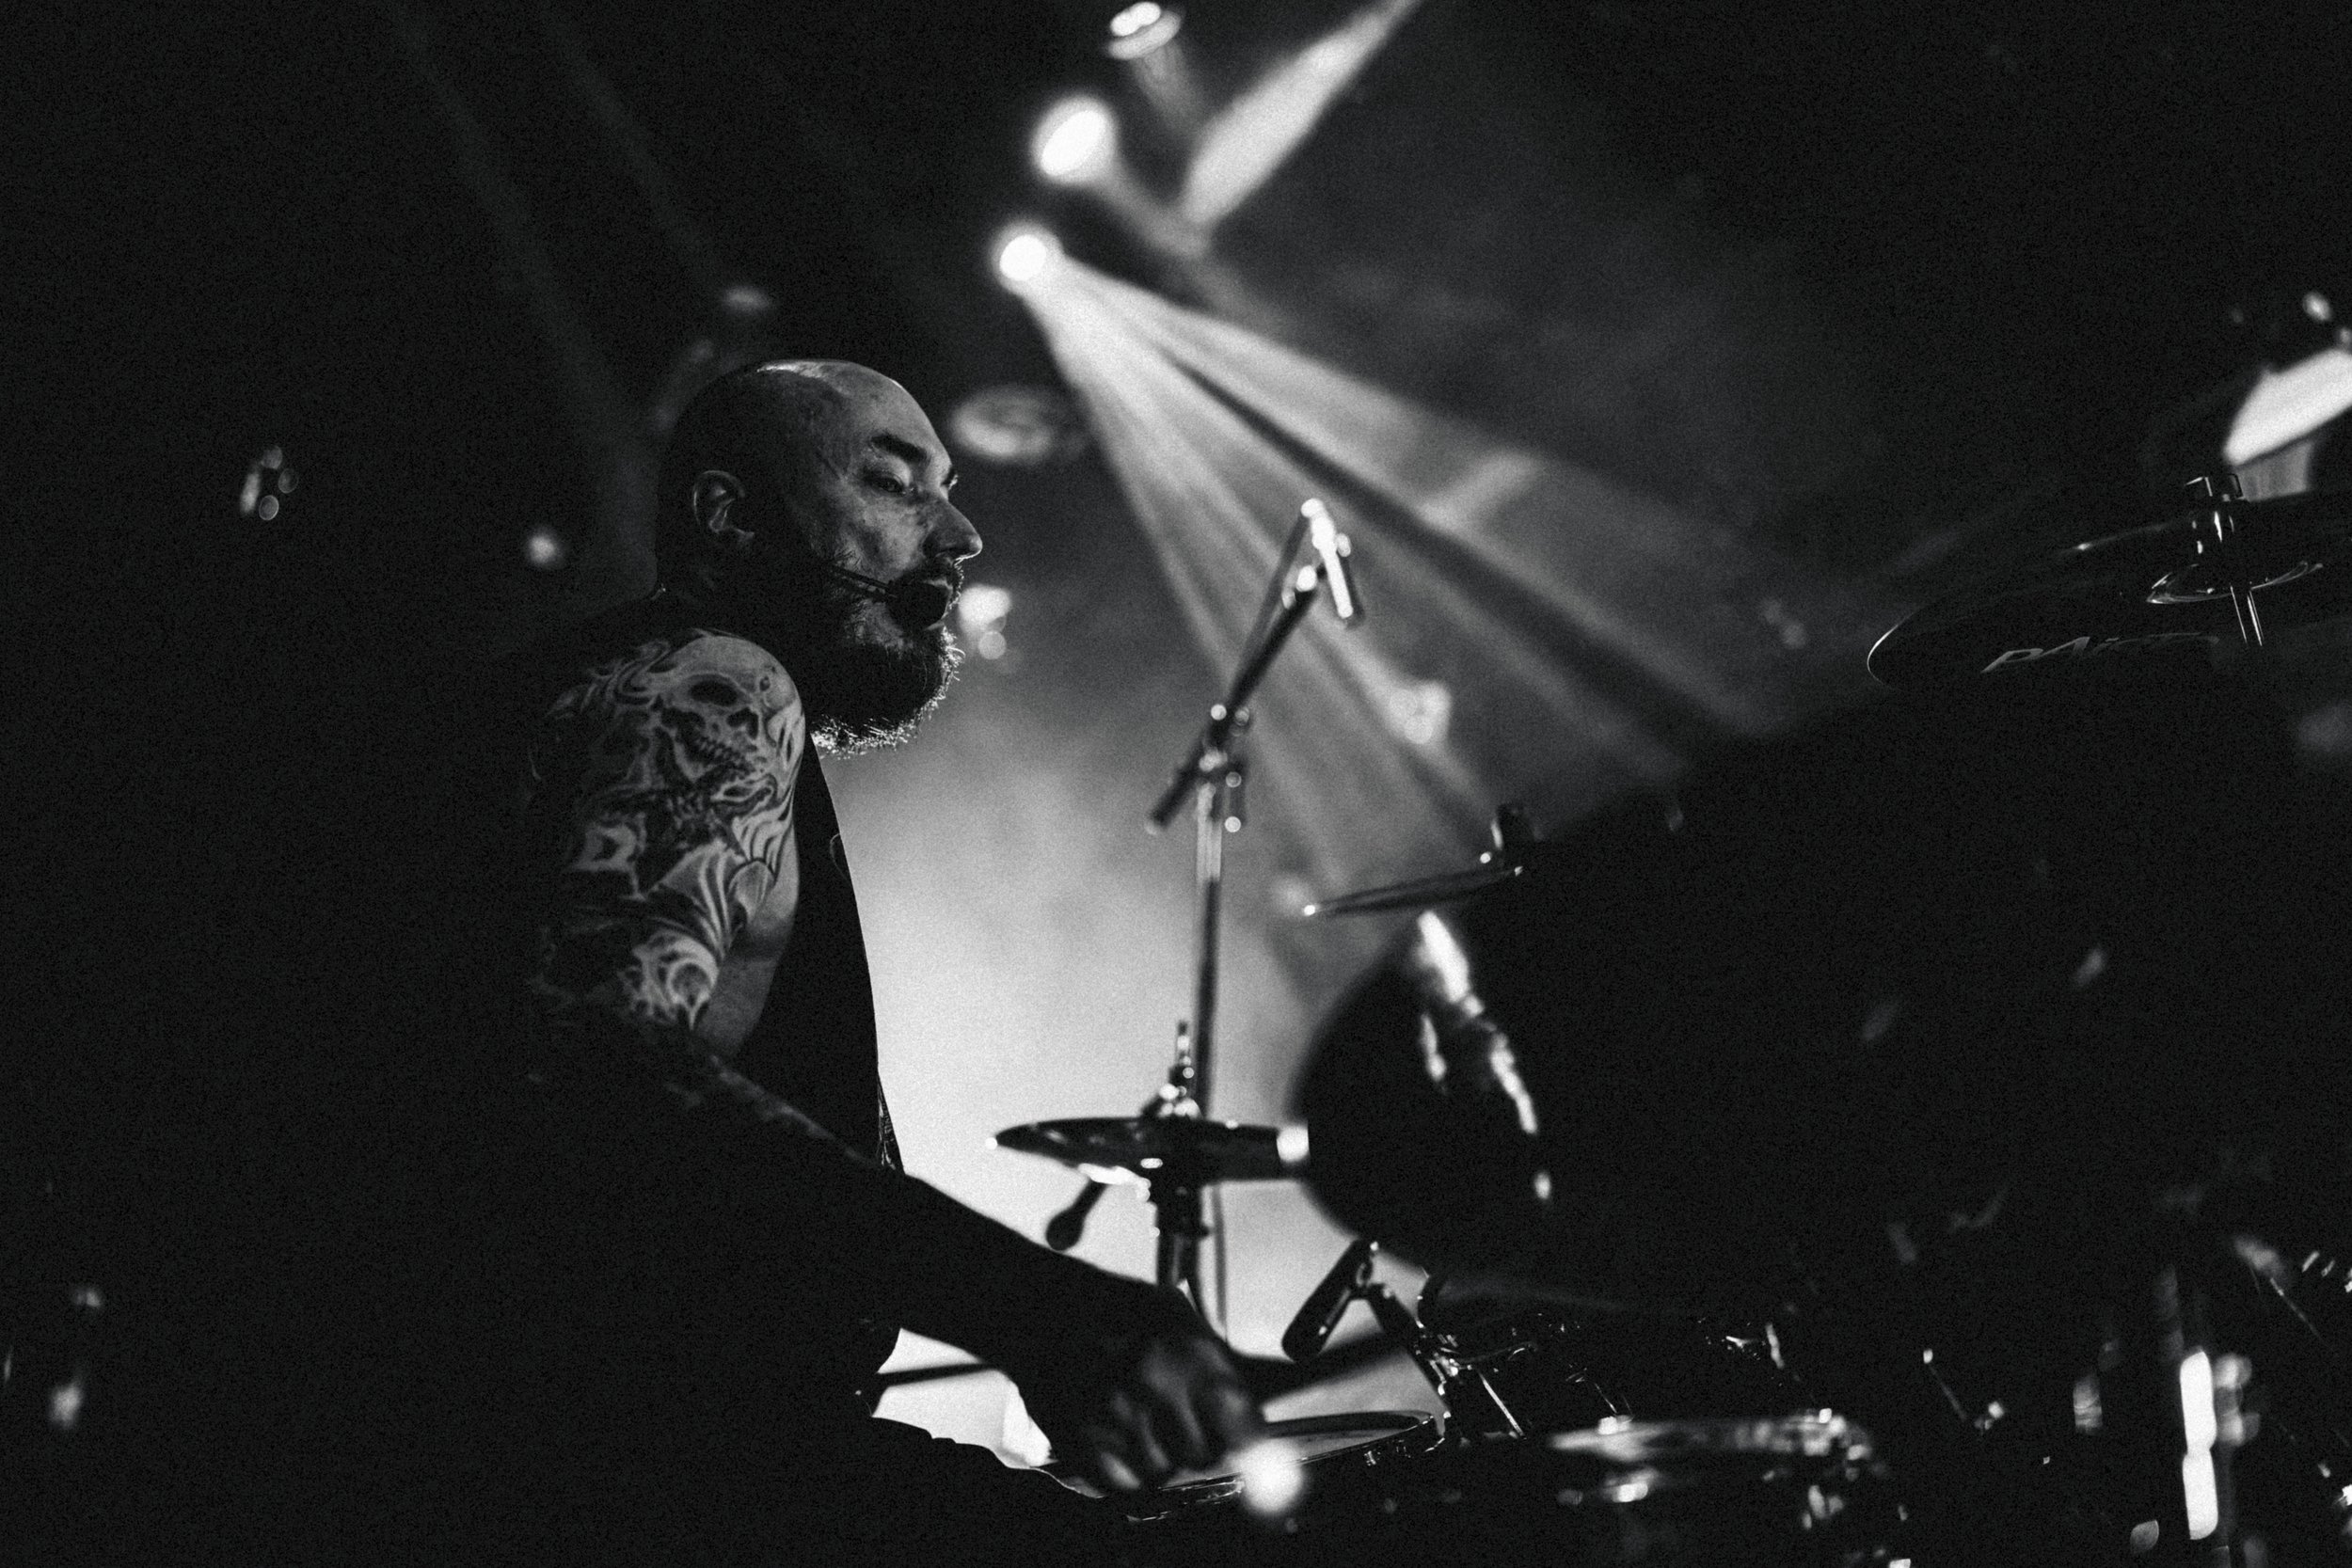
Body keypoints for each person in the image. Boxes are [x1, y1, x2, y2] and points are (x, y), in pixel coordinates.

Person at [464, 359, 1264, 1563]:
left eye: (946, 490)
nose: (958, 533)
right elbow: (595, 1054)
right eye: (893, 487)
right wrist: (1037, 1308)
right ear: (728, 517)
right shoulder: (719, 681)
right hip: (645, 1475)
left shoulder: (585, 688)